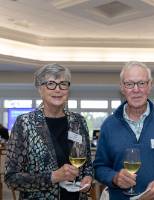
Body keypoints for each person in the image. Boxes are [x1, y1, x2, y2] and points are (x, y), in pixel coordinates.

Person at [94, 61, 154, 200]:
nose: (136, 89)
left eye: (141, 83)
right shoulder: (109, 125)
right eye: (129, 84)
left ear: (150, 86)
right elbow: (99, 167)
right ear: (122, 88)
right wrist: (114, 178)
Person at [4, 63, 93, 200]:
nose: (57, 89)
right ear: (40, 89)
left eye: (63, 84)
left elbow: (87, 164)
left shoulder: (78, 121)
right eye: (51, 84)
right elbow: (11, 178)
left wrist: (88, 177)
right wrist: (53, 176)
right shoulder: (25, 123)